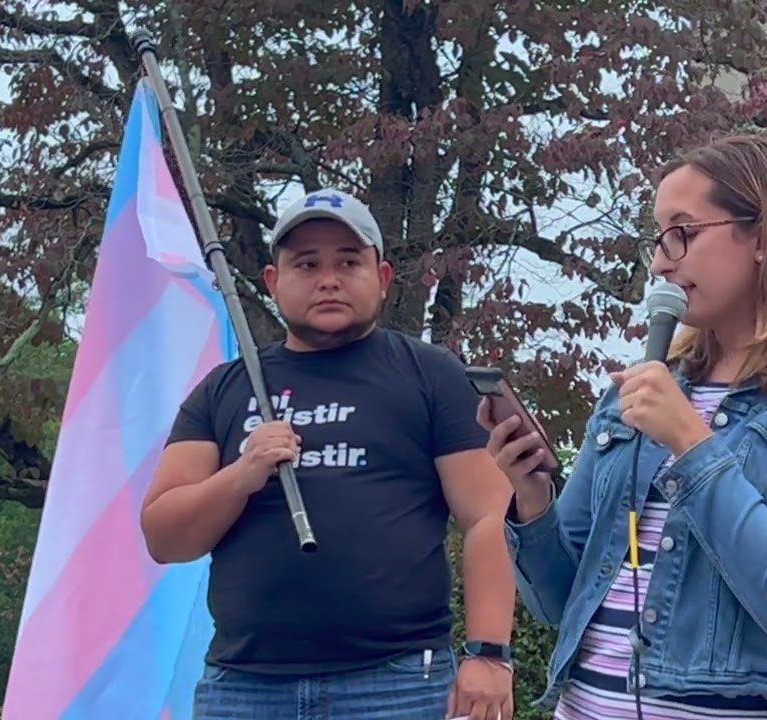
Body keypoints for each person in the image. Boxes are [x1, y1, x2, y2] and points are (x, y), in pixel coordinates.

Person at [480, 136, 767, 720]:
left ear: (763, 234)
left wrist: (692, 444)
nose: (660, 261)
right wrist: (529, 500)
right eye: (656, 238)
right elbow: (559, 602)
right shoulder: (641, 391)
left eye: (682, 230)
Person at [141, 188, 516, 720]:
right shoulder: (225, 388)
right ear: (273, 282)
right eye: (307, 264)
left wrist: (489, 653)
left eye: (348, 261)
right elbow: (164, 537)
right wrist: (242, 474)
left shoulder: (433, 374)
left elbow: (488, 518)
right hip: (244, 687)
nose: (329, 279)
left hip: (400, 683)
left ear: (382, 278)